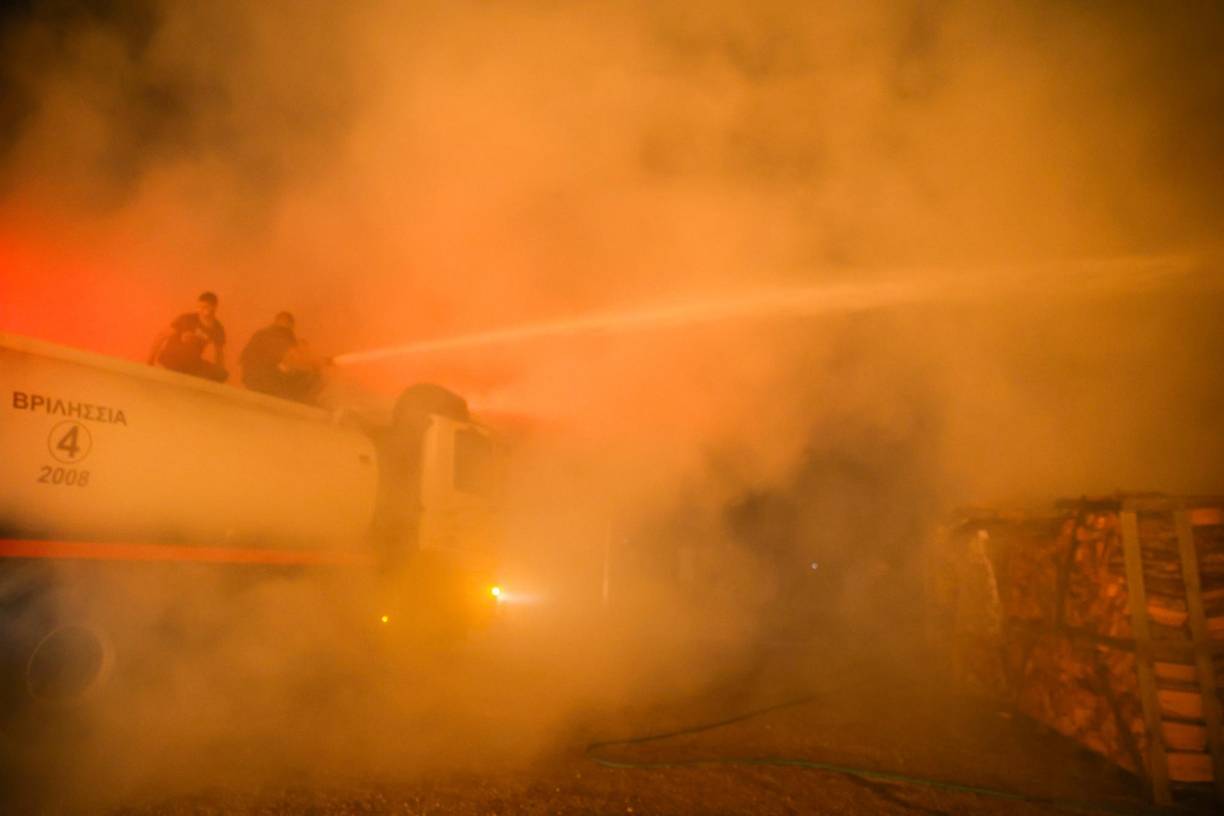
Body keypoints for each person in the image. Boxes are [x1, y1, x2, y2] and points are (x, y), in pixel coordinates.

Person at [239, 311, 322, 402]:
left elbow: (246, 358)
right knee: (311, 377)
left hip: (253, 379)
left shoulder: (261, 335)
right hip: (268, 382)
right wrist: (312, 364)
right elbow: (289, 362)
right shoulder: (283, 338)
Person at [147, 291, 228, 382]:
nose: (200, 310)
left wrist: (218, 374)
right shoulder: (187, 319)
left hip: (192, 362)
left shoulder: (218, 329)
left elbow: (219, 354)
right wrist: (149, 361)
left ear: (214, 307)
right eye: (199, 307)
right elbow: (161, 336)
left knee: (221, 373)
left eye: (205, 307)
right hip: (172, 358)